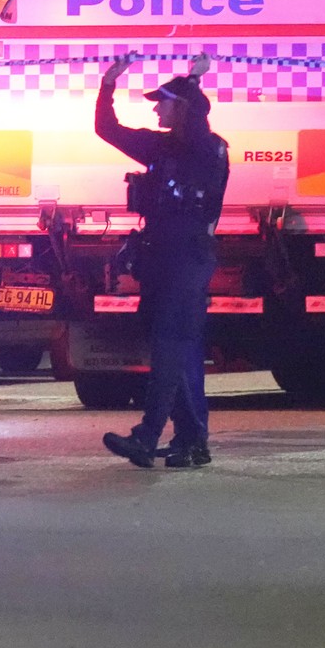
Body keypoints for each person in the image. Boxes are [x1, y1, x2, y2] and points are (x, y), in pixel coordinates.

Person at [94, 51, 228, 469]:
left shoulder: (207, 150)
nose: (155, 110)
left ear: (183, 108)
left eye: (163, 103)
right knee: (171, 350)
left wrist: (194, 81)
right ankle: (191, 440)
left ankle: (148, 436)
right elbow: (106, 128)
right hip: (161, 260)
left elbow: (198, 126)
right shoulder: (161, 145)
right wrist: (108, 83)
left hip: (187, 260)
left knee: (170, 348)